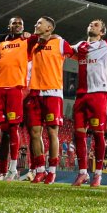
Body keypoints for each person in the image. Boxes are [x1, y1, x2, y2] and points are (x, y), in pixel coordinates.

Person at [26, 16, 76, 184]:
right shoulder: (33, 44)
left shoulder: (60, 43)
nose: (36, 24)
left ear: (49, 28)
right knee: (34, 133)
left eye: (39, 23)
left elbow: (76, 55)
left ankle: (52, 171)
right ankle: (40, 169)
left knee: (52, 132)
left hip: (53, 93)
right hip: (35, 93)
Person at [0, 16, 32, 181]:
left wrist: (30, 36)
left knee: (12, 129)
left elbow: (39, 39)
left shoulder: (27, 42)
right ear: (9, 26)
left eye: (20, 23)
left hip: (15, 89)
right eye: (14, 23)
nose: (17, 25)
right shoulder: (2, 44)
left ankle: (12, 169)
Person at [71, 20, 107, 188]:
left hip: (98, 94)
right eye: (90, 24)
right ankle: (83, 172)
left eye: (96, 25)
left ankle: (97, 174)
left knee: (98, 134)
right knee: (79, 135)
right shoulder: (79, 46)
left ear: (102, 32)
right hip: (81, 95)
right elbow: (63, 50)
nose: (92, 25)